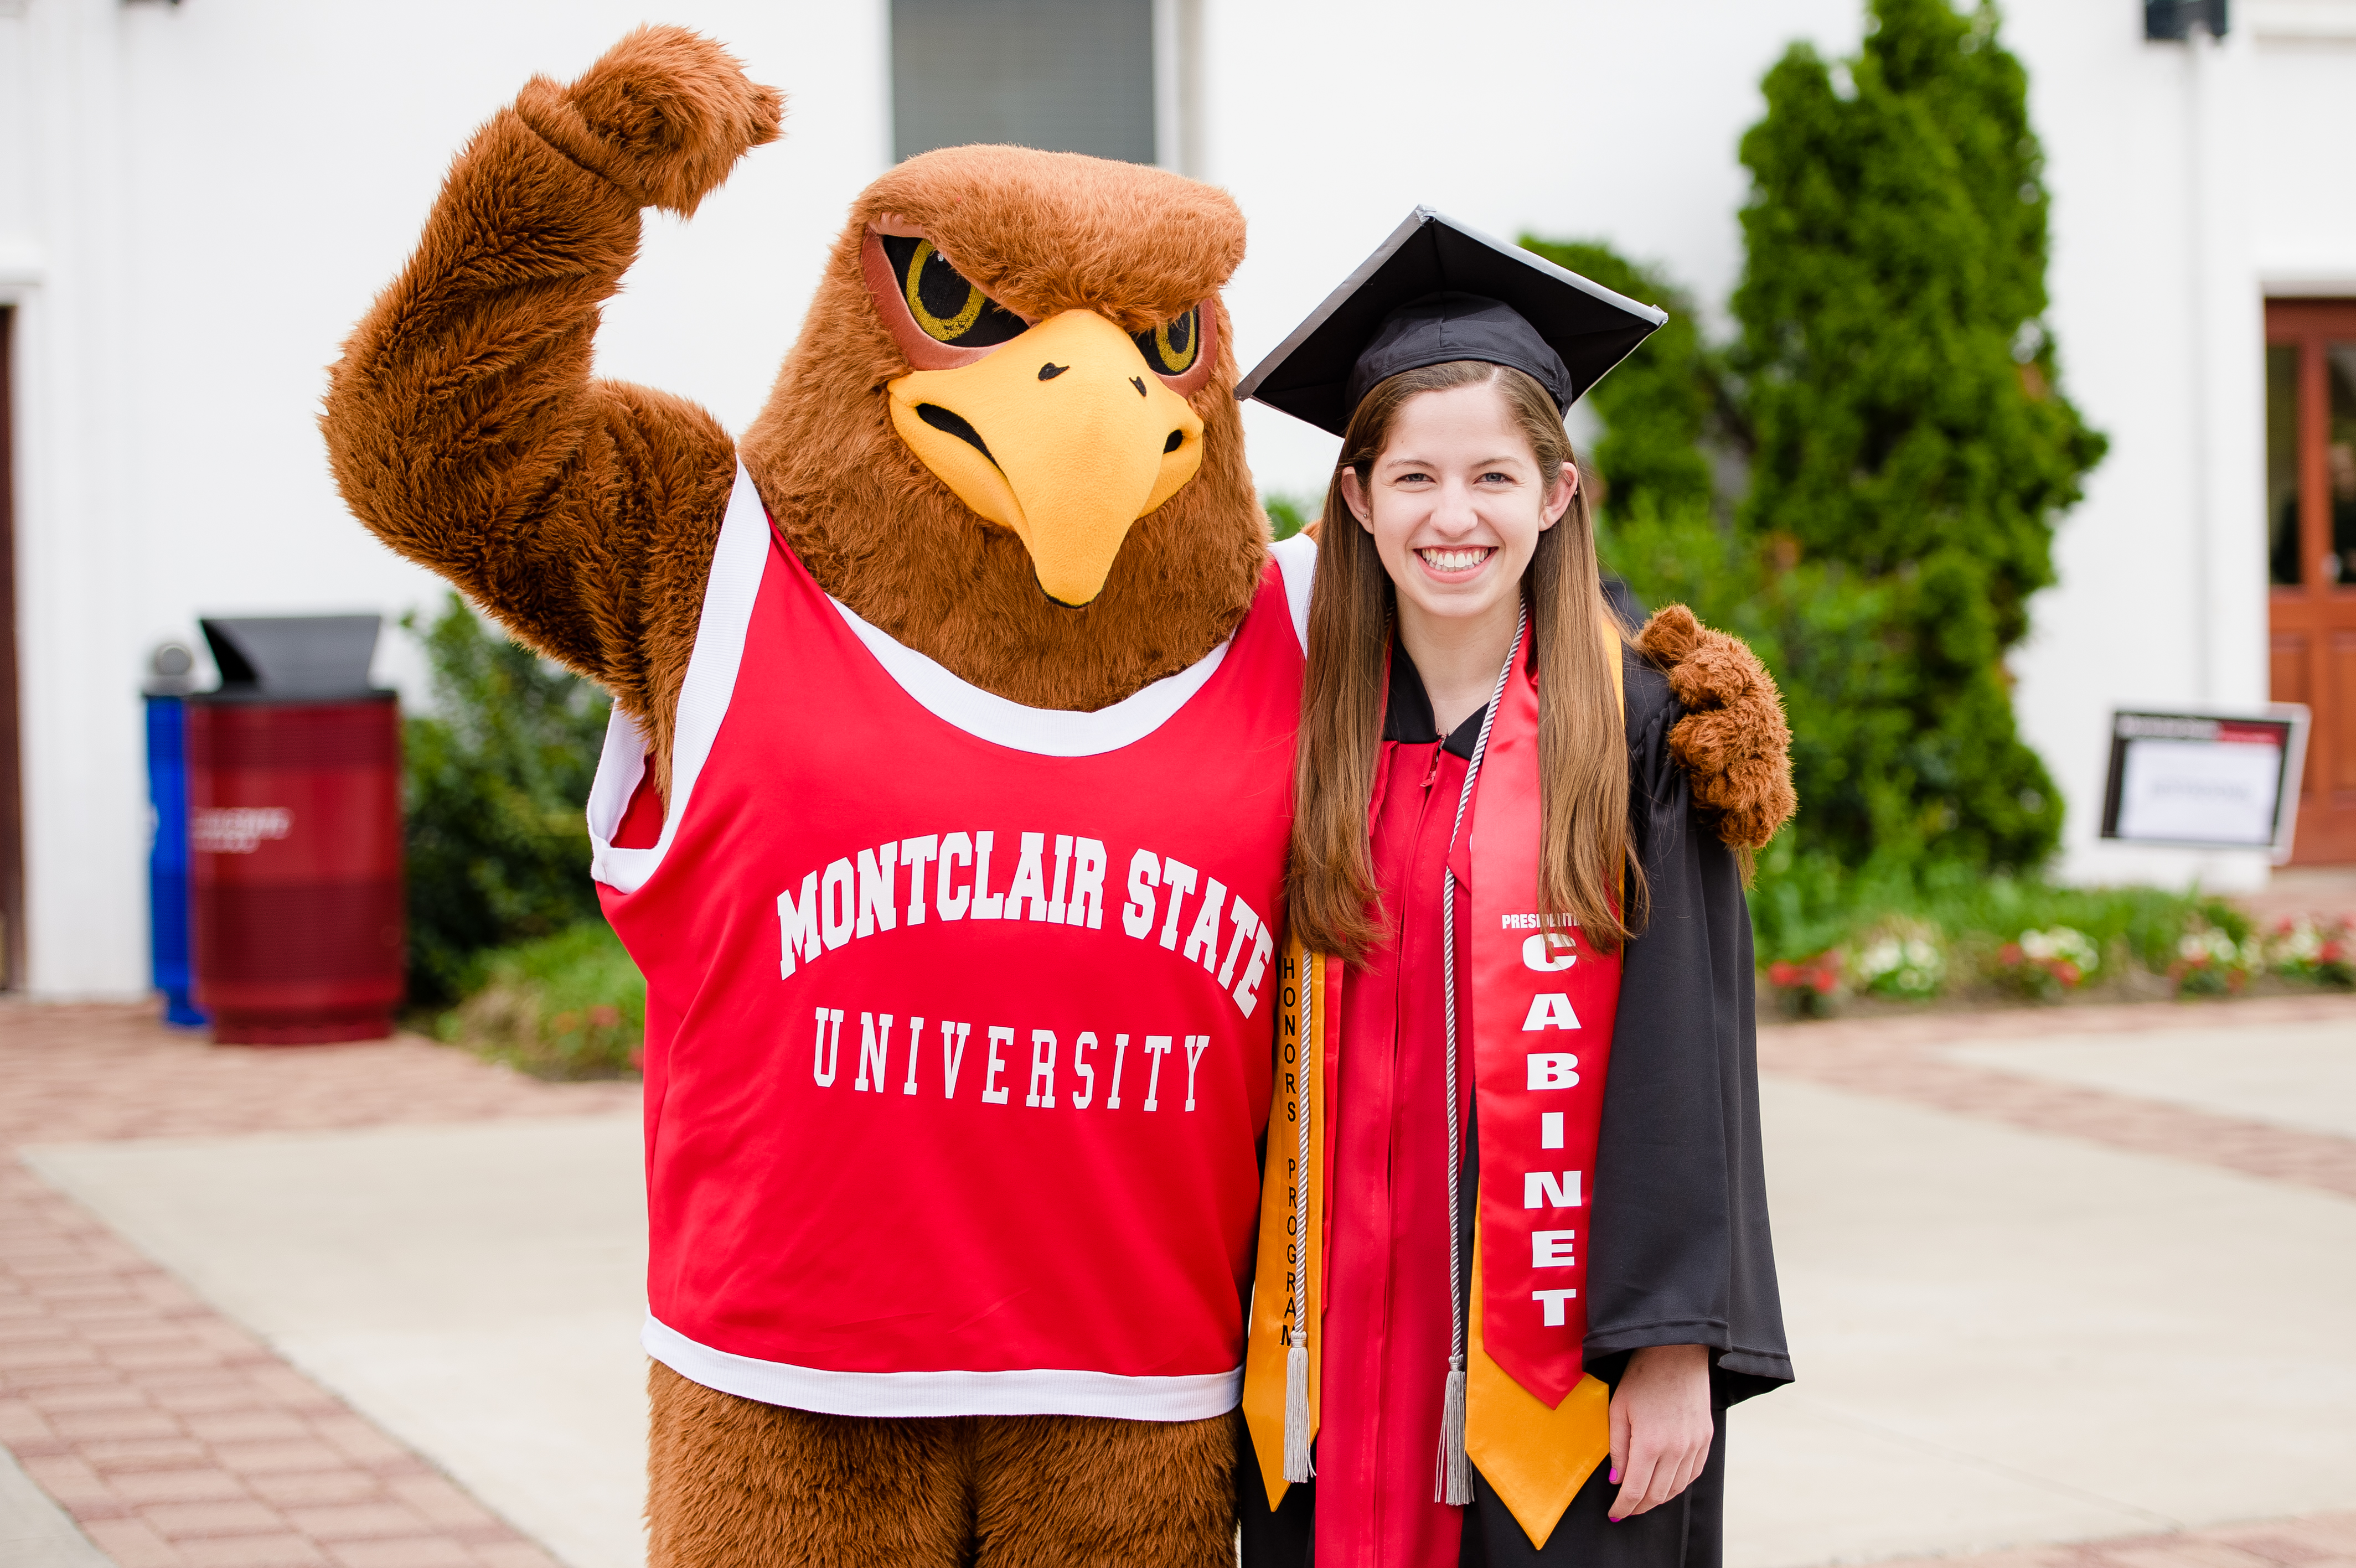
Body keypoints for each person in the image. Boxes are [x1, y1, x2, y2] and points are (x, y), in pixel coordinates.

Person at [1233, 211, 1795, 1568]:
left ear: (1557, 493)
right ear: (1355, 501)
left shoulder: (1645, 729)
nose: (1453, 515)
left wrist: (1671, 1344)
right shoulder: (1306, 731)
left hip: (1551, 1365)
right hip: (1337, 1335)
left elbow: (1690, 1057)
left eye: (1493, 475)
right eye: (1414, 477)